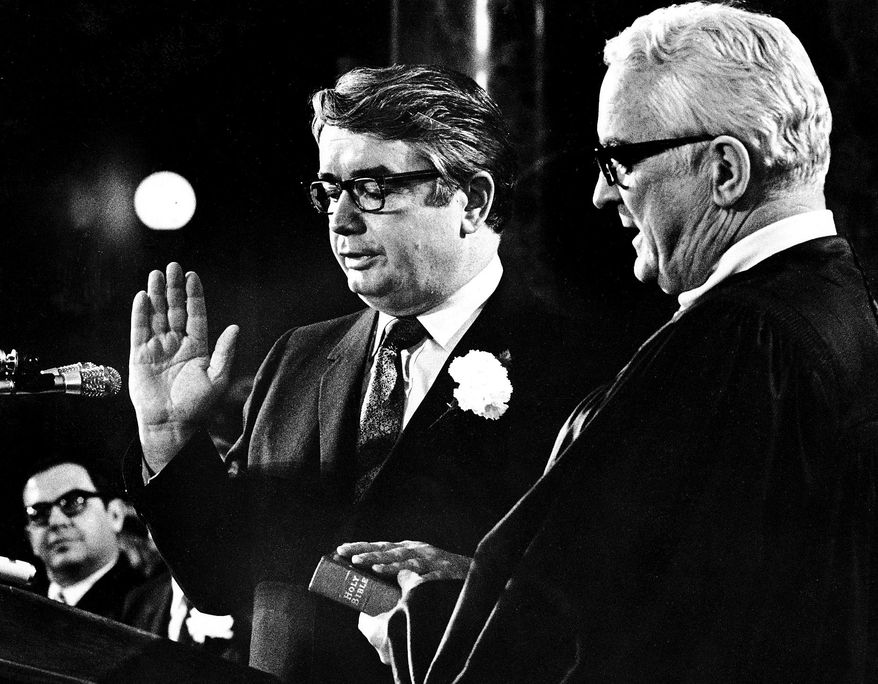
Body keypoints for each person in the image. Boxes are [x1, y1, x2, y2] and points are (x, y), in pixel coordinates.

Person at [357, 4, 878, 682]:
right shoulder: (837, 308)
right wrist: (478, 581)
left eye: (620, 158)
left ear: (725, 172)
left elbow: (593, 649)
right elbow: (703, 597)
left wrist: (412, 616)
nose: (604, 194)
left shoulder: (735, 345)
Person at [122, 64, 613, 683]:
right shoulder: (297, 358)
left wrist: (474, 586)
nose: (342, 219)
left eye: (374, 187)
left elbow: (611, 600)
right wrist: (168, 436)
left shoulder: (581, 368)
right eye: (330, 190)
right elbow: (222, 577)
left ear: (473, 200)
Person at [21, 457, 147, 622]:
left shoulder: (149, 607)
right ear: (30, 537)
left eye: (73, 502)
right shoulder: (19, 609)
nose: (55, 522)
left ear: (115, 515)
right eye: (39, 513)